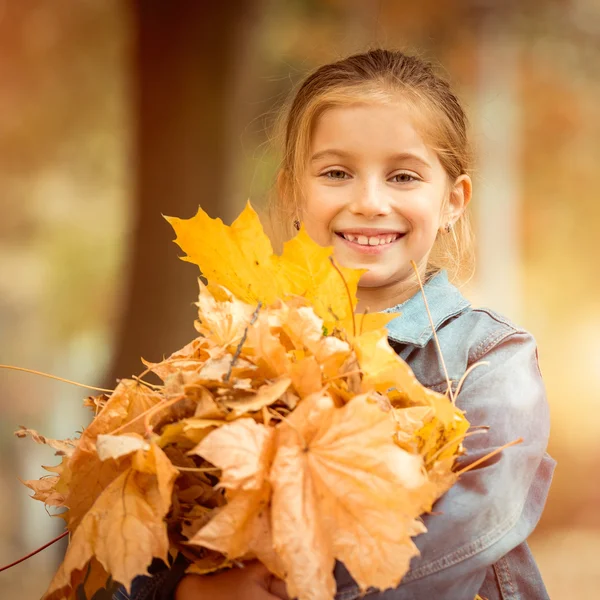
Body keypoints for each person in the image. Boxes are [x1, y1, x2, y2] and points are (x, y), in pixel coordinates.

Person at [115, 49, 555, 600]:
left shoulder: (488, 358)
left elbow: (479, 519)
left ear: (452, 201)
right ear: (294, 192)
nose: (369, 201)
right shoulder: (242, 353)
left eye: (402, 176)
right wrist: (186, 593)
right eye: (336, 173)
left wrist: (310, 593)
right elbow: (148, 530)